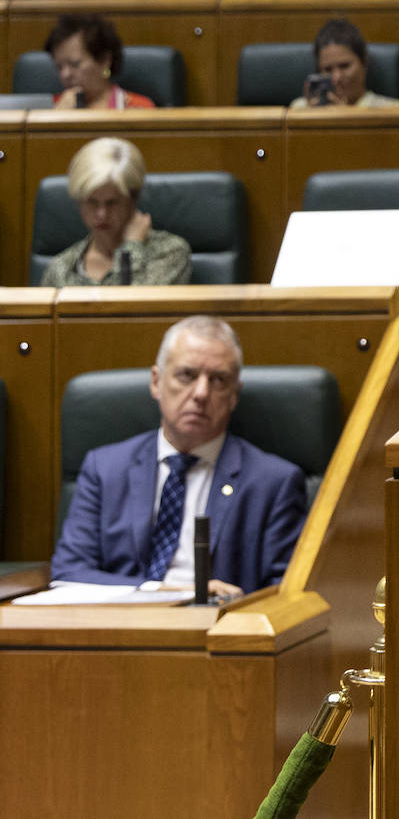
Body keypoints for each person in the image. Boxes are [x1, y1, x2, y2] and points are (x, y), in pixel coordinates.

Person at [50, 316, 307, 599]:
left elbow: (286, 594)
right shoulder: (105, 468)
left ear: (235, 395)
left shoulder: (274, 482)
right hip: (118, 627)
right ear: (156, 382)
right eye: (186, 375)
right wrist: (166, 593)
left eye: (218, 380)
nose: (201, 393)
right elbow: (69, 574)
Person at [41, 137, 191, 288]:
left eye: (112, 203)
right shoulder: (61, 269)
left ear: (133, 200)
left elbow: (132, 307)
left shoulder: (170, 253)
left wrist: (131, 249)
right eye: (92, 202)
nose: (102, 214)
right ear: (79, 201)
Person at [44, 13, 154, 110]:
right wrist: (57, 117)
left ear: (104, 61)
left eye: (75, 64)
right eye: (59, 67)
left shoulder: (137, 107)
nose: (65, 74)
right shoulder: (48, 108)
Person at [290, 18, 399, 108]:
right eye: (328, 69)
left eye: (344, 66)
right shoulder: (300, 109)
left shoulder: (391, 109)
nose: (336, 77)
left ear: (364, 61)